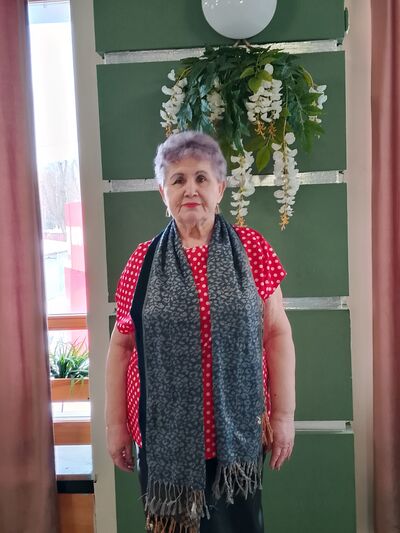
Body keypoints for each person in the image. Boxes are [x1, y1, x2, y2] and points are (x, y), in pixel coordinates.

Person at [105, 131, 296, 533]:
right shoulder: (141, 261)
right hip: (163, 441)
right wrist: (114, 425)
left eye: (201, 178)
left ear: (220, 188)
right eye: (178, 179)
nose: (190, 189)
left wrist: (283, 416)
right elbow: (121, 347)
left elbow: (276, 334)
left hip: (238, 436)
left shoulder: (252, 249)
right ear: (163, 193)